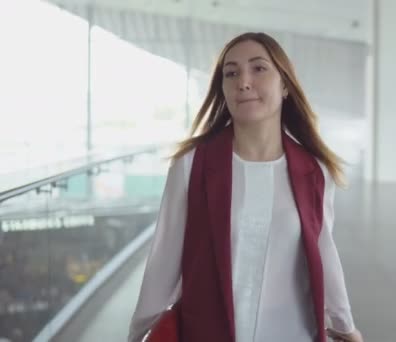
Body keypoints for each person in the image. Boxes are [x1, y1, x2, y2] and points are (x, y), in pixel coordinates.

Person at [128, 32, 363, 342]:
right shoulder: (191, 166)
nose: (244, 81)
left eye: (259, 68)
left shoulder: (314, 171)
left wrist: (345, 326)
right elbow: (164, 261)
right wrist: (139, 332)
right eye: (232, 73)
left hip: (290, 332)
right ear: (223, 89)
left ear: (285, 86)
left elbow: (323, 254)